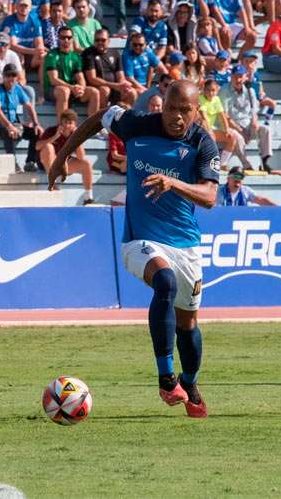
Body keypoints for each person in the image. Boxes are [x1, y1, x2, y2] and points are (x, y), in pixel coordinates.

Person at [48, 80, 220, 418]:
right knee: (165, 282)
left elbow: (211, 196)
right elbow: (99, 117)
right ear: (163, 105)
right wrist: (62, 156)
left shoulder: (203, 143)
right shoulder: (137, 123)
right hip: (140, 239)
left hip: (186, 244)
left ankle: (190, 381)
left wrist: (173, 183)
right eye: (171, 108)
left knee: (188, 324)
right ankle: (167, 378)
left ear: (196, 110)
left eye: (185, 110)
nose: (177, 117)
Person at [0, 65, 43, 172]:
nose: (11, 78)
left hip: (13, 122)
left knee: (36, 133)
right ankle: (13, 164)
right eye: (8, 75)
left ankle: (30, 162)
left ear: (17, 77)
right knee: (9, 132)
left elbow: (29, 106)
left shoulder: (17, 88)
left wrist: (36, 123)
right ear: (3, 76)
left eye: (14, 75)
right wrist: (9, 126)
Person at [220, 65, 273, 172]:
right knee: (238, 137)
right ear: (231, 76)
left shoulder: (250, 91)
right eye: (235, 77)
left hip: (248, 124)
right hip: (232, 125)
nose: (238, 79)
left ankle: (265, 161)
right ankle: (246, 165)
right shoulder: (224, 90)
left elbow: (254, 110)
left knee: (265, 129)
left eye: (240, 76)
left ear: (245, 77)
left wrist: (254, 120)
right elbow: (225, 115)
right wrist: (240, 130)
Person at [43, 25, 100, 118]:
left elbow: (80, 77)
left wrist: (80, 88)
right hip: (53, 90)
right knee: (64, 91)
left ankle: (92, 128)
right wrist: (72, 87)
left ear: (72, 39)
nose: (66, 40)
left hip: (71, 89)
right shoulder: (52, 55)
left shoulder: (75, 56)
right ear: (58, 39)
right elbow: (53, 80)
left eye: (69, 37)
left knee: (94, 92)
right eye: (63, 37)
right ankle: (62, 127)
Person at [37, 109, 93, 203]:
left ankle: (88, 197)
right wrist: (55, 136)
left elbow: (81, 157)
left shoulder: (75, 134)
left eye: (70, 123)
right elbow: (37, 146)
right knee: (48, 147)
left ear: (74, 124)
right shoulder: (51, 130)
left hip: (63, 164)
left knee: (86, 163)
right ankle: (52, 183)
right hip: (46, 164)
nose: (67, 126)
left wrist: (76, 137)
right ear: (60, 122)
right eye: (65, 122)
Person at [82, 28, 135, 107]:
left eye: (103, 40)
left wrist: (122, 84)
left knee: (132, 92)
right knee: (105, 90)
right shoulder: (89, 53)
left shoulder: (115, 53)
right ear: (94, 41)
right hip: (97, 87)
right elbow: (92, 79)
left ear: (109, 40)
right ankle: (102, 117)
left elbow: (120, 75)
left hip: (114, 87)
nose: (100, 42)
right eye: (97, 40)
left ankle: (123, 116)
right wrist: (114, 85)